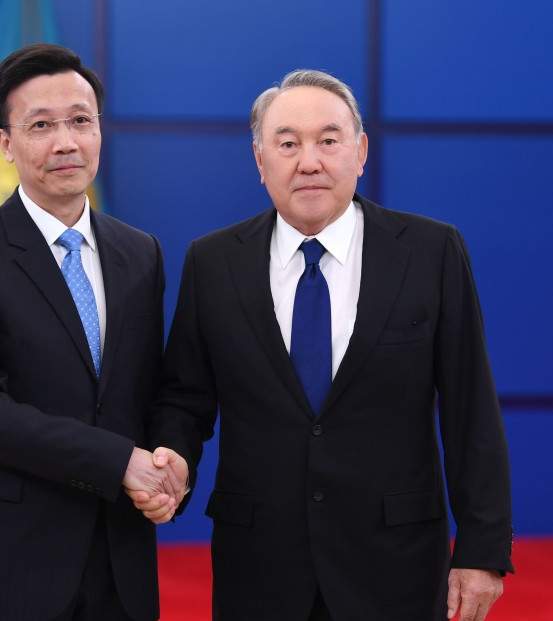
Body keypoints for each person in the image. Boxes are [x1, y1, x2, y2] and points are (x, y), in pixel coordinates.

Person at [132, 70, 514, 620]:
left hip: (396, 566)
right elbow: (185, 398)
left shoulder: (431, 252)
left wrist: (482, 549)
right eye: (287, 144)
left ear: (360, 152)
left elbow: (470, 409)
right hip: (259, 568)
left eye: (328, 141)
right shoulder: (213, 262)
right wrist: (173, 456)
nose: (308, 162)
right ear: (260, 161)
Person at [0, 43, 187, 621]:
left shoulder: (140, 253)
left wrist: (171, 462)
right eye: (41, 125)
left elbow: (153, 390)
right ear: (6, 144)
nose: (66, 142)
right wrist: (119, 461)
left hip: (119, 560)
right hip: (6, 559)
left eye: (81, 121)